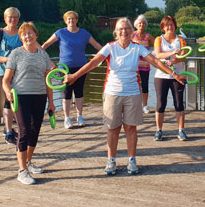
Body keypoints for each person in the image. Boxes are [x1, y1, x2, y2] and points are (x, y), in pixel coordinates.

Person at [63, 18, 184, 175]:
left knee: (131, 129)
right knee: (112, 129)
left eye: (127, 28)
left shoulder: (137, 48)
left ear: (131, 31)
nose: (124, 31)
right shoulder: (110, 47)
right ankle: (111, 160)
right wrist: (74, 76)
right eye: (120, 29)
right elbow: (92, 63)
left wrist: (174, 74)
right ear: (116, 32)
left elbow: (155, 61)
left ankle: (131, 160)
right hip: (112, 93)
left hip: (132, 93)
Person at [2, 22, 56, 185]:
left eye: (30, 33)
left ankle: (28, 162)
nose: (27, 36)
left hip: (39, 96)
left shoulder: (43, 55)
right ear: (21, 37)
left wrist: (51, 103)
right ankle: (22, 171)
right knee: (24, 131)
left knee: (34, 131)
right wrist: (8, 93)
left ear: (36, 35)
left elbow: (49, 81)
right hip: (21, 96)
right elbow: (6, 80)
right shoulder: (16, 54)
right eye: (24, 34)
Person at [41, 11, 102, 129]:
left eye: (73, 19)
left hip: (82, 67)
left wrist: (103, 57)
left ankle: (80, 116)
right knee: (67, 93)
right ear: (65, 20)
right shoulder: (60, 33)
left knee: (79, 91)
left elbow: (98, 47)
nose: (71, 21)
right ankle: (67, 118)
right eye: (69, 19)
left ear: (77, 20)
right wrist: (50, 62)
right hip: (64, 68)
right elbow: (44, 46)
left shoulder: (84, 33)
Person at [152, 15, 188, 141]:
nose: (170, 27)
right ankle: (159, 130)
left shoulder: (181, 39)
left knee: (179, 103)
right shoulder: (158, 39)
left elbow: (184, 56)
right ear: (163, 27)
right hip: (161, 76)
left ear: (175, 26)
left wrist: (174, 60)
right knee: (161, 103)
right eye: (167, 25)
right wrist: (172, 53)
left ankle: (181, 130)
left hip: (178, 75)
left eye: (172, 24)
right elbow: (158, 54)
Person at [0, 7, 22, 145]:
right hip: (3, 72)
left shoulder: (22, 32)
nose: (13, 20)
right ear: (5, 18)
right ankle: (9, 133)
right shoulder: (0, 33)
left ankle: (9, 128)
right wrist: (7, 60)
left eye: (15, 17)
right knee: (9, 100)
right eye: (10, 17)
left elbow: (35, 46)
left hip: (20, 72)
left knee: (18, 101)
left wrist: (47, 62)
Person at [131, 14, 155, 114]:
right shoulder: (132, 35)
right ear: (136, 24)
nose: (141, 25)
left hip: (145, 65)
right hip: (133, 65)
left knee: (145, 86)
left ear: (145, 25)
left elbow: (157, 46)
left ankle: (145, 105)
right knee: (134, 86)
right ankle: (134, 105)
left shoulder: (148, 36)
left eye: (143, 23)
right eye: (140, 23)